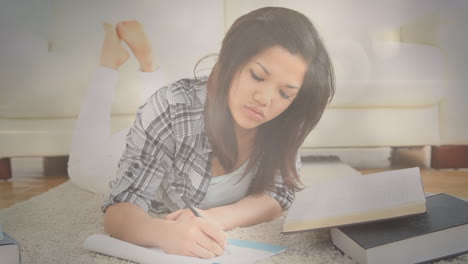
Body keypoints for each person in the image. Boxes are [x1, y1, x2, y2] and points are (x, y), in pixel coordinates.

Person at [68, 7, 335, 259]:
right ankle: (109, 62)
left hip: (172, 124)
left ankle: (148, 62)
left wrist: (211, 217)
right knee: (81, 164)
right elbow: (119, 211)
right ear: (230, 61)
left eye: (285, 93)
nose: (265, 99)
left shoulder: (283, 120)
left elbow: (279, 194)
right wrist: (164, 233)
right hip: (116, 156)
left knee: (168, 104)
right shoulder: (169, 109)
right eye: (257, 75)